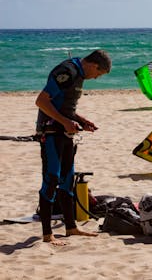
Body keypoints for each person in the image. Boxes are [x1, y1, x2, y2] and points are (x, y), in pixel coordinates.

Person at [35, 49, 111, 246]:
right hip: (51, 132)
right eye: (99, 74)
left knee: (68, 180)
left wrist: (80, 120)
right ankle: (47, 234)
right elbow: (41, 101)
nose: (96, 78)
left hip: (66, 132)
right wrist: (64, 121)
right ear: (94, 65)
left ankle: (71, 228)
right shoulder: (67, 71)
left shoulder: (79, 74)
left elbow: (65, 107)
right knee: (51, 179)